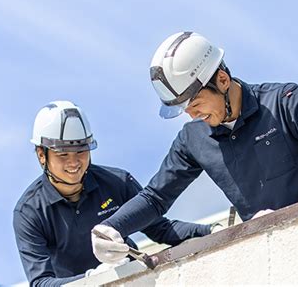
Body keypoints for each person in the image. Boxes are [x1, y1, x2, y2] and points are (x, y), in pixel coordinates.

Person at [91, 31, 298, 263]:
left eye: (195, 104)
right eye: (185, 110)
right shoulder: (192, 139)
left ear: (221, 79)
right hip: (267, 256)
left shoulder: (285, 101)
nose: (192, 116)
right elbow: (155, 198)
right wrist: (111, 227)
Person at [13, 101, 213, 286]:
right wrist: (91, 280)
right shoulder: (30, 212)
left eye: (81, 151)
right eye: (63, 154)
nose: (73, 162)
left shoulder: (116, 183)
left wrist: (210, 231)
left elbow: (161, 229)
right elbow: (41, 283)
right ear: (42, 155)